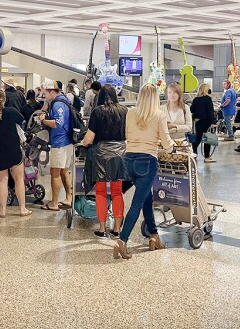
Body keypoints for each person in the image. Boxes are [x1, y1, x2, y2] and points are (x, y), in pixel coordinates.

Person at [113, 83, 174, 260]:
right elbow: (166, 141)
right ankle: (122, 241)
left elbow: (126, 134)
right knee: (137, 203)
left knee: (147, 198)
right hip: (147, 162)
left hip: (129, 160)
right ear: (155, 98)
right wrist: (170, 148)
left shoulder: (130, 112)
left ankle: (154, 236)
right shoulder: (159, 115)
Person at [79, 84, 127, 238]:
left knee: (100, 192)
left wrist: (82, 143)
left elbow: (89, 138)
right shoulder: (124, 111)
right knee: (117, 192)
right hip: (119, 154)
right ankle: (117, 229)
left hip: (100, 155)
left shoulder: (97, 111)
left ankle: (102, 229)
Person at [0, 90, 32, 218]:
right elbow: (22, 121)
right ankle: (22, 209)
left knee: (2, 180)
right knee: (19, 179)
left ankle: (3, 211)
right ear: (4, 100)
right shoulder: (11, 112)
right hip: (13, 150)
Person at [37, 81, 74, 211]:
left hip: (59, 142)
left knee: (55, 172)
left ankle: (54, 203)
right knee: (64, 170)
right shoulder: (65, 100)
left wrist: (43, 120)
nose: (44, 96)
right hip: (67, 141)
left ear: (52, 92)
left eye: (45, 93)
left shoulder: (58, 104)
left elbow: (57, 124)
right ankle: (69, 198)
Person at [190, 84, 216, 161]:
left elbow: (192, 110)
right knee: (207, 139)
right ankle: (207, 157)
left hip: (198, 122)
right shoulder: (208, 99)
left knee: (198, 138)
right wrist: (213, 121)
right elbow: (210, 111)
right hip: (206, 121)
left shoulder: (195, 99)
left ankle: (194, 154)